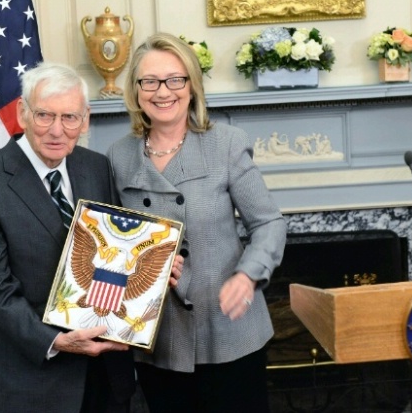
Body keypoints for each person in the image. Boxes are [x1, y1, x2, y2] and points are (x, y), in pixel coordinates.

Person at [0, 62, 182, 413]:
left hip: (109, 378)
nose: (57, 130)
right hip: (37, 383)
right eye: (45, 115)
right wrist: (56, 340)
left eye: (70, 117)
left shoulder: (95, 166)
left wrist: (157, 270)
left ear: (85, 119)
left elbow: (116, 252)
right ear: (22, 114)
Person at [107, 33, 287, 413]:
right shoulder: (117, 156)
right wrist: (141, 265)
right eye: (150, 81)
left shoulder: (226, 143)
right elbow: (110, 244)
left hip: (230, 331)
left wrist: (247, 275)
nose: (163, 92)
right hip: (161, 339)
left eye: (175, 79)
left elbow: (268, 223)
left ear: (192, 86)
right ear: (136, 90)